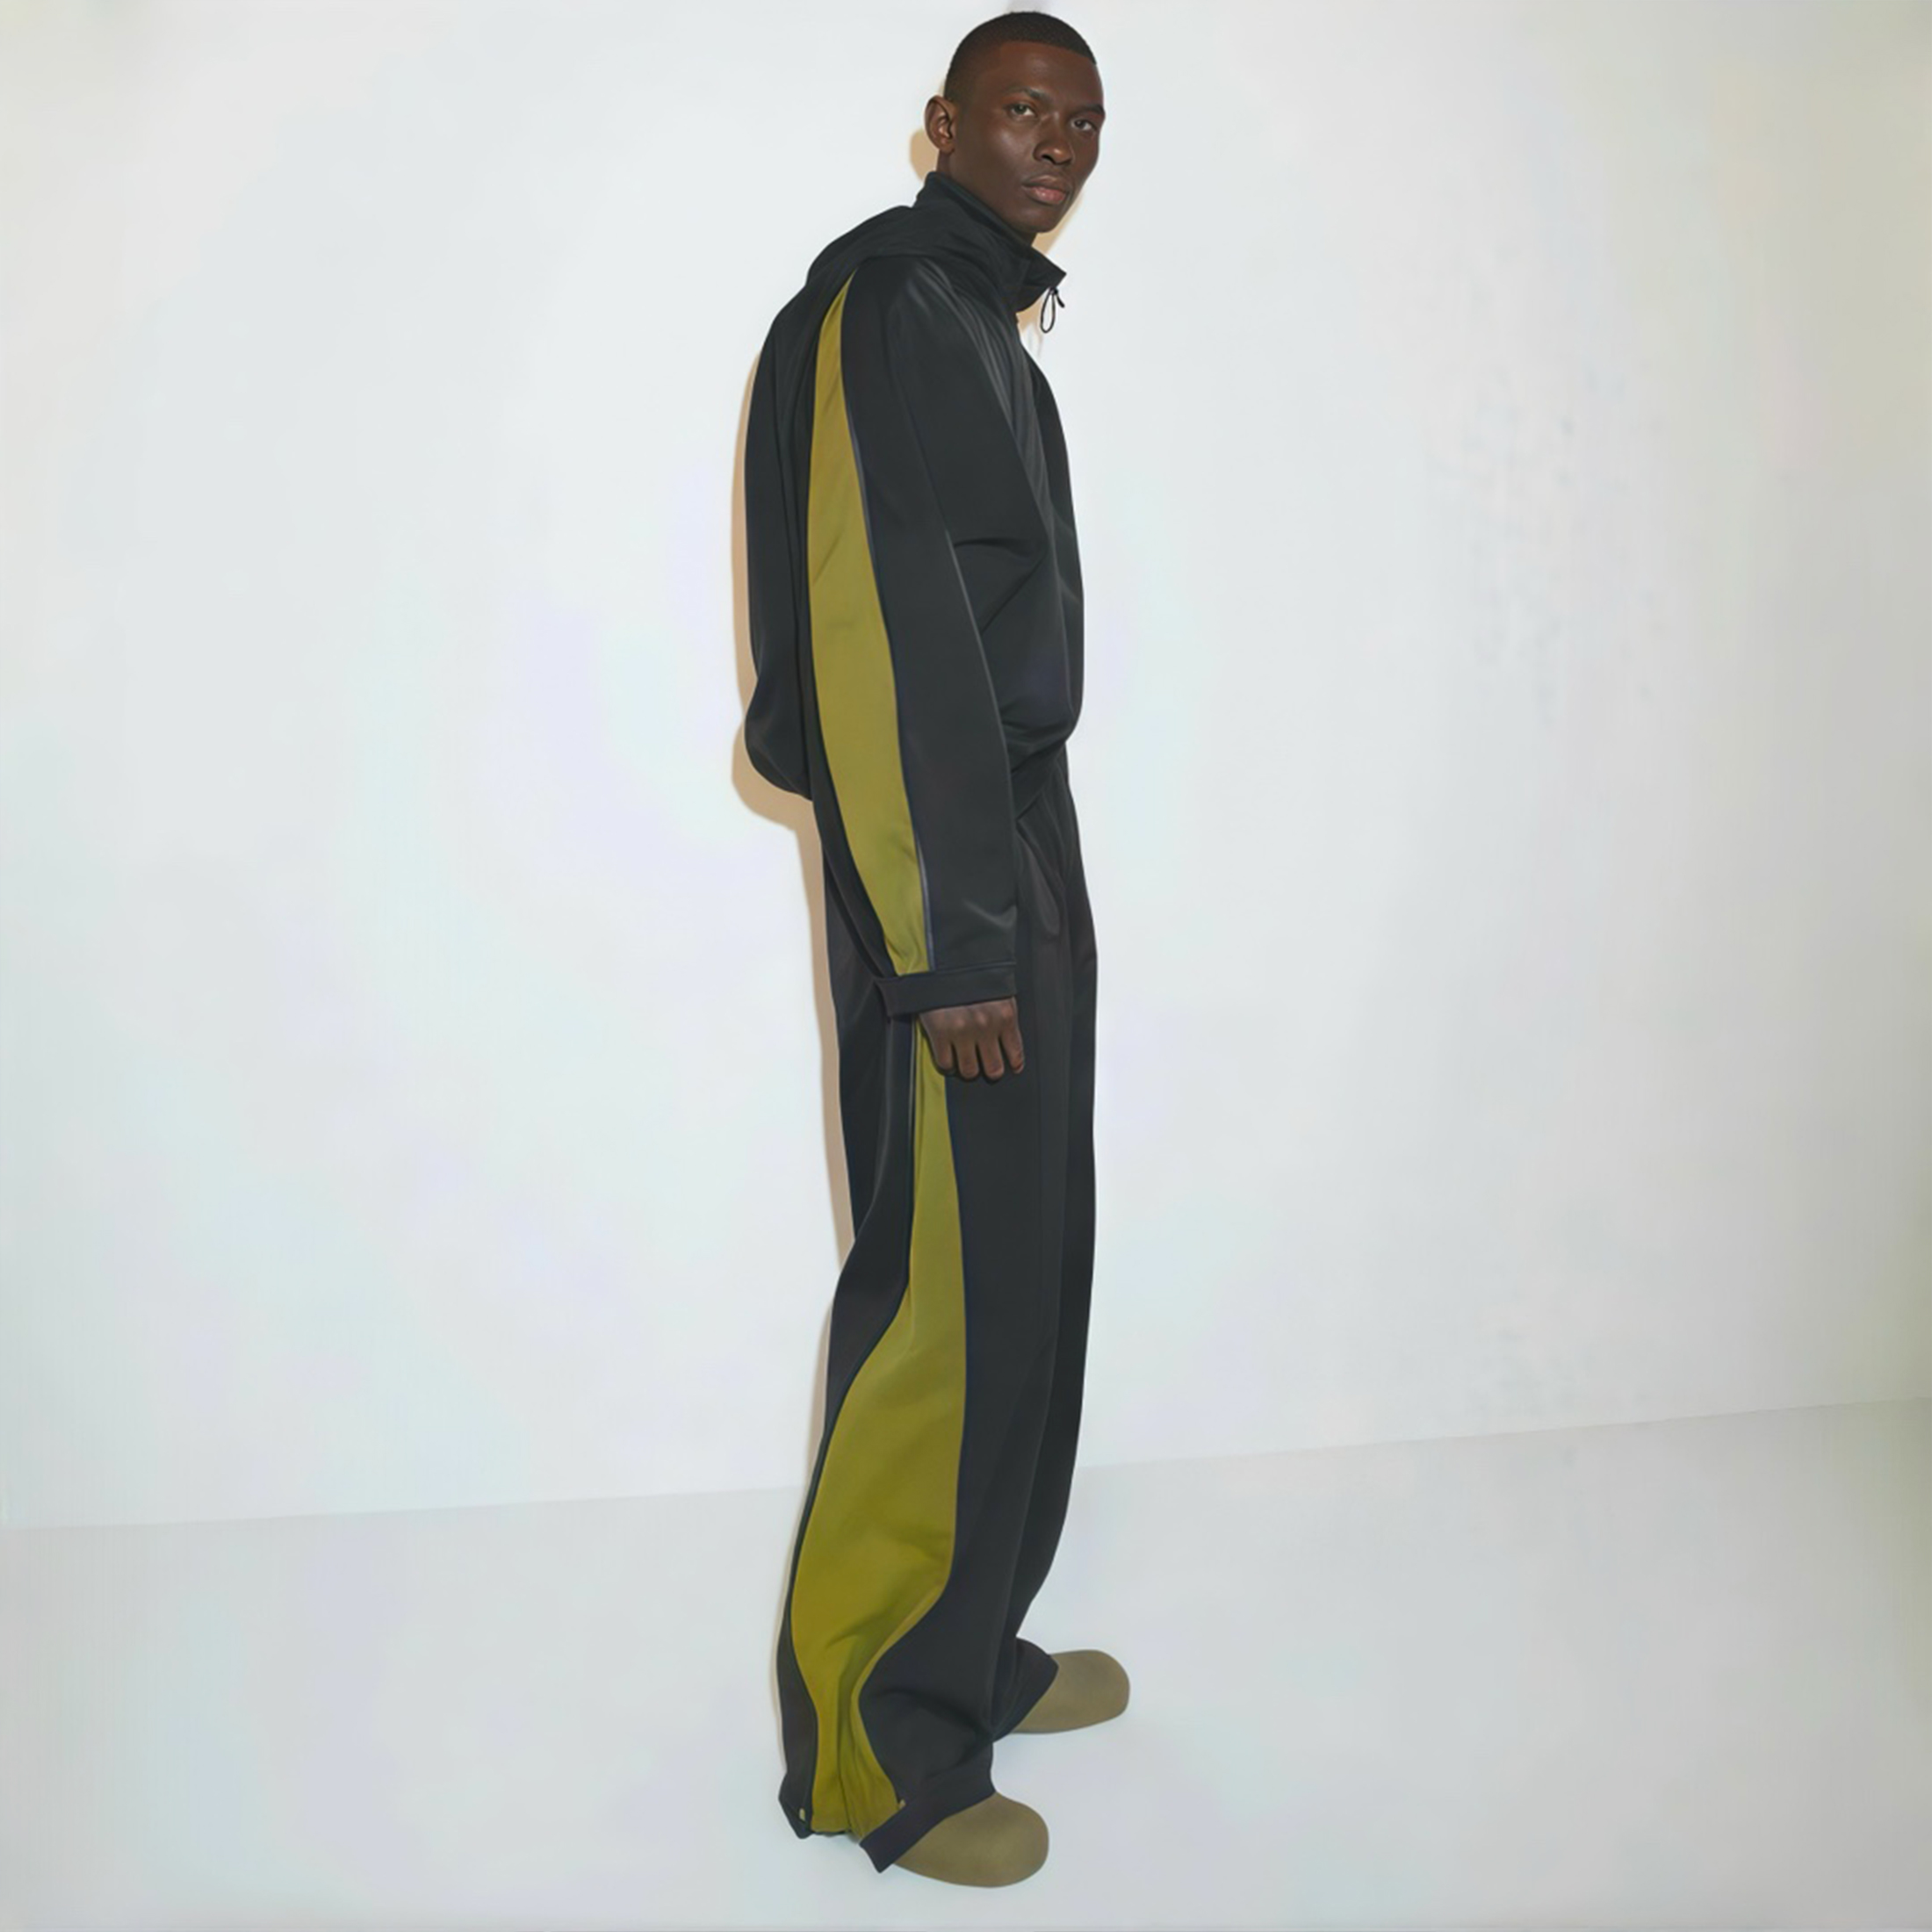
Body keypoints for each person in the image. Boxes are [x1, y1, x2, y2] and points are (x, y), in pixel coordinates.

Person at [739, 10, 1123, 1889]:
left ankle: (970, 1644)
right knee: (942, 1311)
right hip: (943, 894)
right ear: (940, 124)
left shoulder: (979, 319)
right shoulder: (886, 308)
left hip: (1010, 850)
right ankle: (876, 1743)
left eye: (1083, 119)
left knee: (1030, 1269)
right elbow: (877, 636)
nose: (1055, 142)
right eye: (1021, 109)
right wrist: (951, 941)